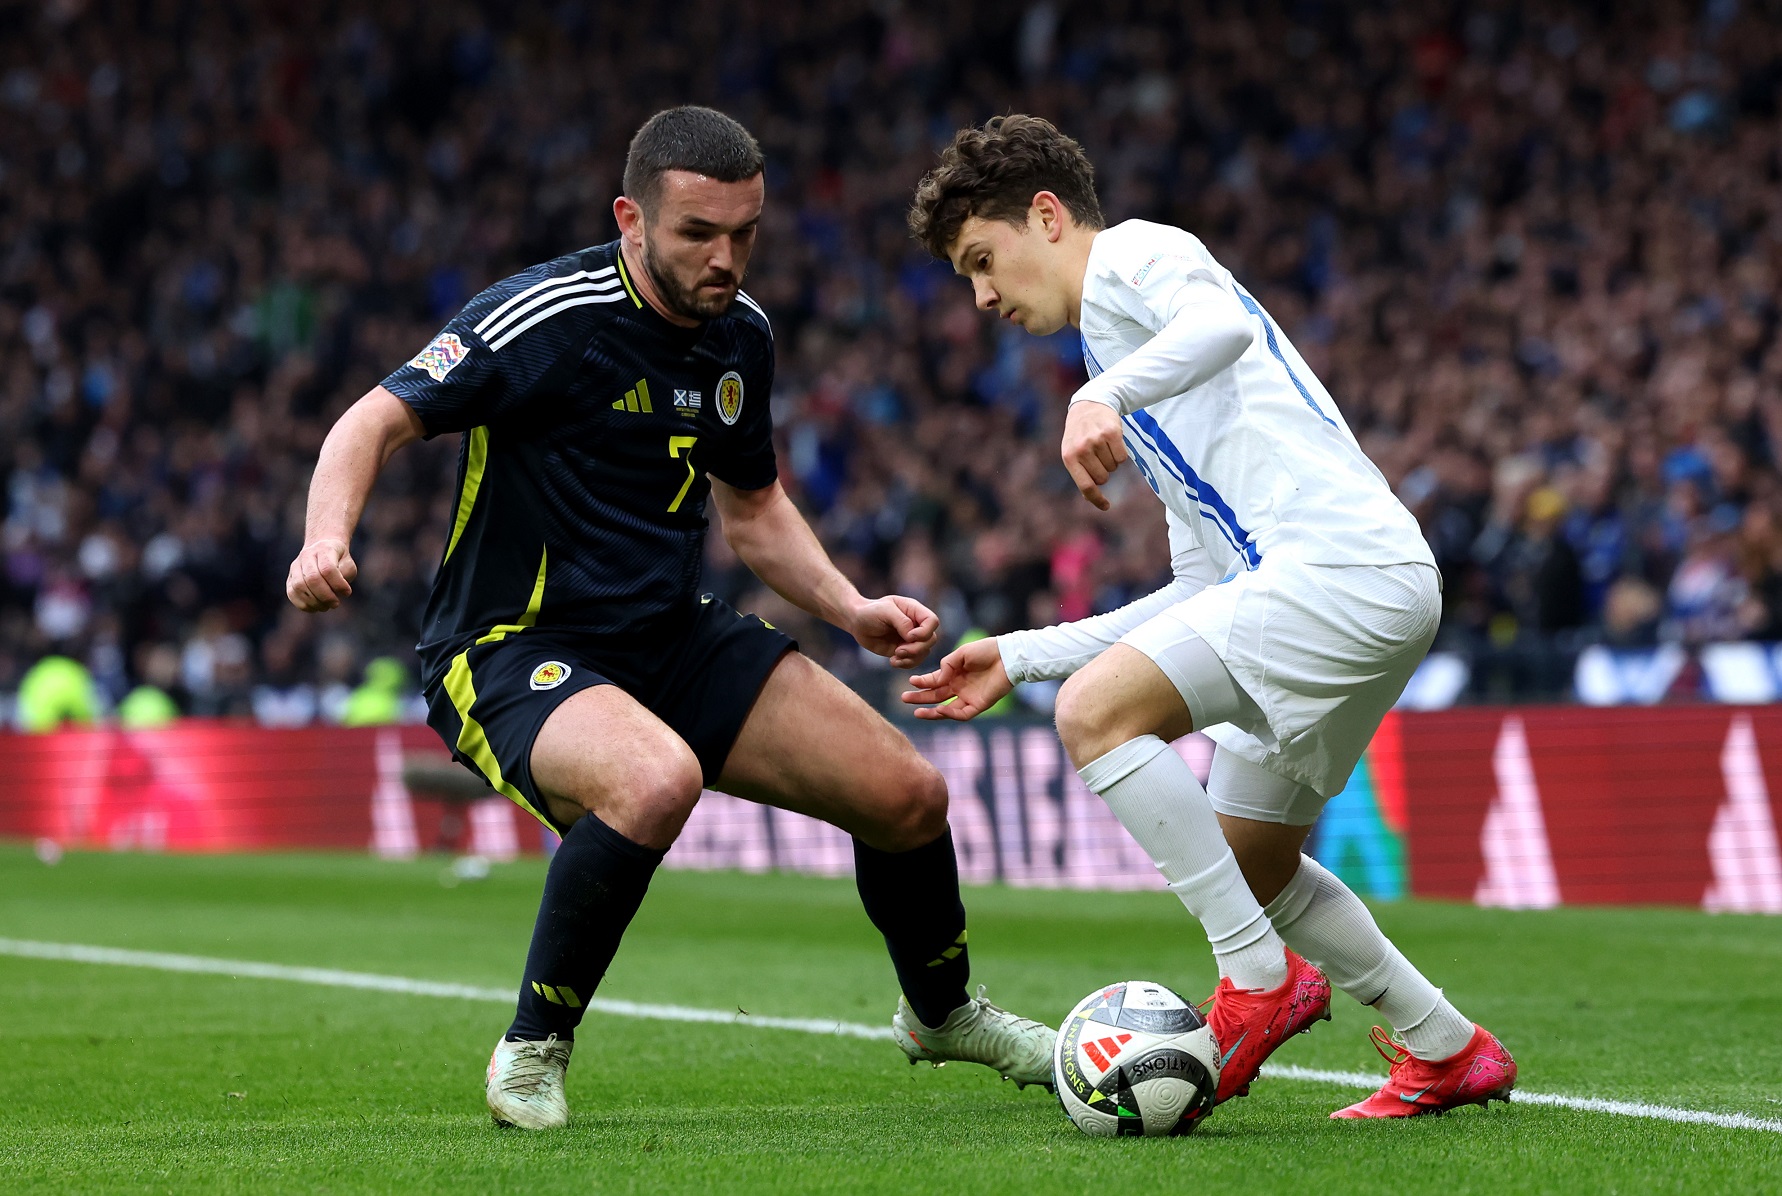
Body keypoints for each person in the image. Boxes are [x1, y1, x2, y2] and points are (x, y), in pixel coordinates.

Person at [285, 107, 1052, 1131]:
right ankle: (534, 1045)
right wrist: (324, 538)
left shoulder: (742, 337)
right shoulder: (544, 319)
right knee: (655, 779)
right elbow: (372, 417)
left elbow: (753, 506)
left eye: (745, 232)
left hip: (669, 634)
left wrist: (850, 605)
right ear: (630, 219)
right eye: (699, 232)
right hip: (511, 645)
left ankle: (944, 1011)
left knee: (909, 794)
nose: (726, 257)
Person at [902, 115, 1516, 1121]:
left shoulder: (1141, 252)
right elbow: (1201, 590)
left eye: (983, 259)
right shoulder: (1128, 365)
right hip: (1343, 584)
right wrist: (1019, 653)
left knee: (1098, 717)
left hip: (1341, 571)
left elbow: (1221, 324)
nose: (981, 296)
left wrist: (1103, 391)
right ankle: (1445, 1045)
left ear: (1047, 217)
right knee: (1249, 856)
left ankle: (1257, 980)